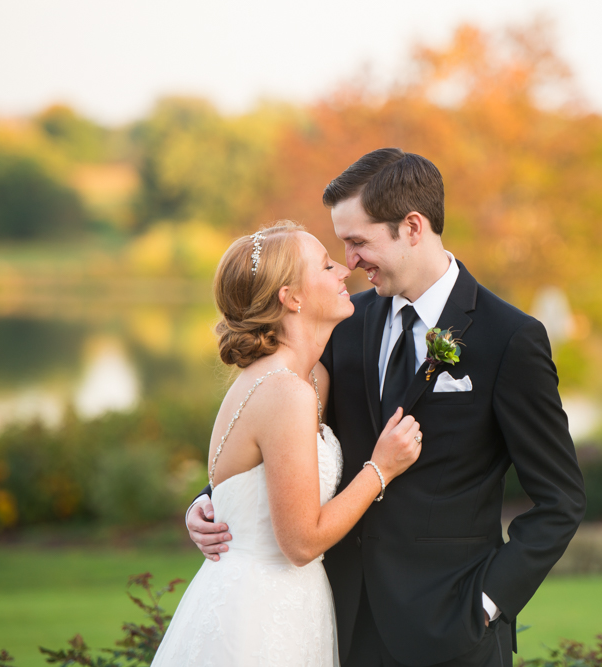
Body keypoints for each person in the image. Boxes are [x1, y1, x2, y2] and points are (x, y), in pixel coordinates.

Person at [188, 149, 587, 666]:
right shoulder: (342, 326)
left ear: (413, 227)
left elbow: (561, 500)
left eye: (358, 242)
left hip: (453, 633)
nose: (349, 262)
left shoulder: (508, 338)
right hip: (341, 622)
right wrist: (215, 498)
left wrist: (487, 604)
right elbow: (279, 424)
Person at [154, 221, 424, 666]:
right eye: (325, 265)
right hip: (259, 613)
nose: (344, 269)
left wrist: (202, 504)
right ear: (291, 297)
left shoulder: (309, 378)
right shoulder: (286, 392)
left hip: (292, 601)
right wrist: (381, 469)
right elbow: (300, 543)